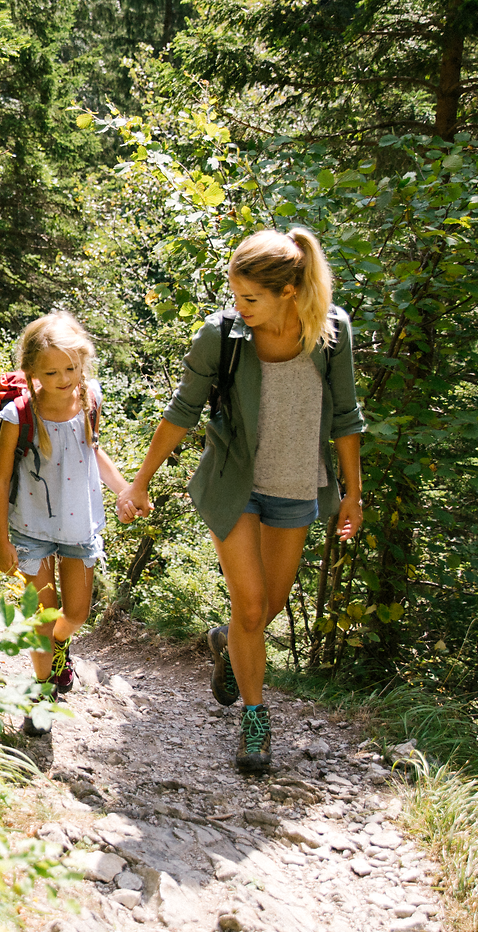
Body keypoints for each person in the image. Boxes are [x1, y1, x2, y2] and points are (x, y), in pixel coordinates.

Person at [121, 229, 366, 772]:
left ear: (289, 290)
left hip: (300, 484)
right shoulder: (224, 335)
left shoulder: (331, 332)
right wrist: (139, 482)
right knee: (251, 607)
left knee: (266, 610)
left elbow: (347, 416)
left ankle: (227, 645)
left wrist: (353, 493)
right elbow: (182, 411)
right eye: (235, 295)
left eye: (250, 298)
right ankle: (256, 720)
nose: (239, 308)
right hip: (236, 485)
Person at [0, 312, 134, 734]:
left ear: (83, 362)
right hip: (31, 529)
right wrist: (3, 543)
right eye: (51, 371)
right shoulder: (19, 414)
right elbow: (0, 481)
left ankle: (58, 645)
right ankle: (40, 691)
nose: (64, 378)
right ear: (32, 370)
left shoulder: (89, 399)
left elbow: (93, 450)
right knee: (41, 617)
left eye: (71, 368)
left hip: (78, 526)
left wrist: (124, 489)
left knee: (74, 614)